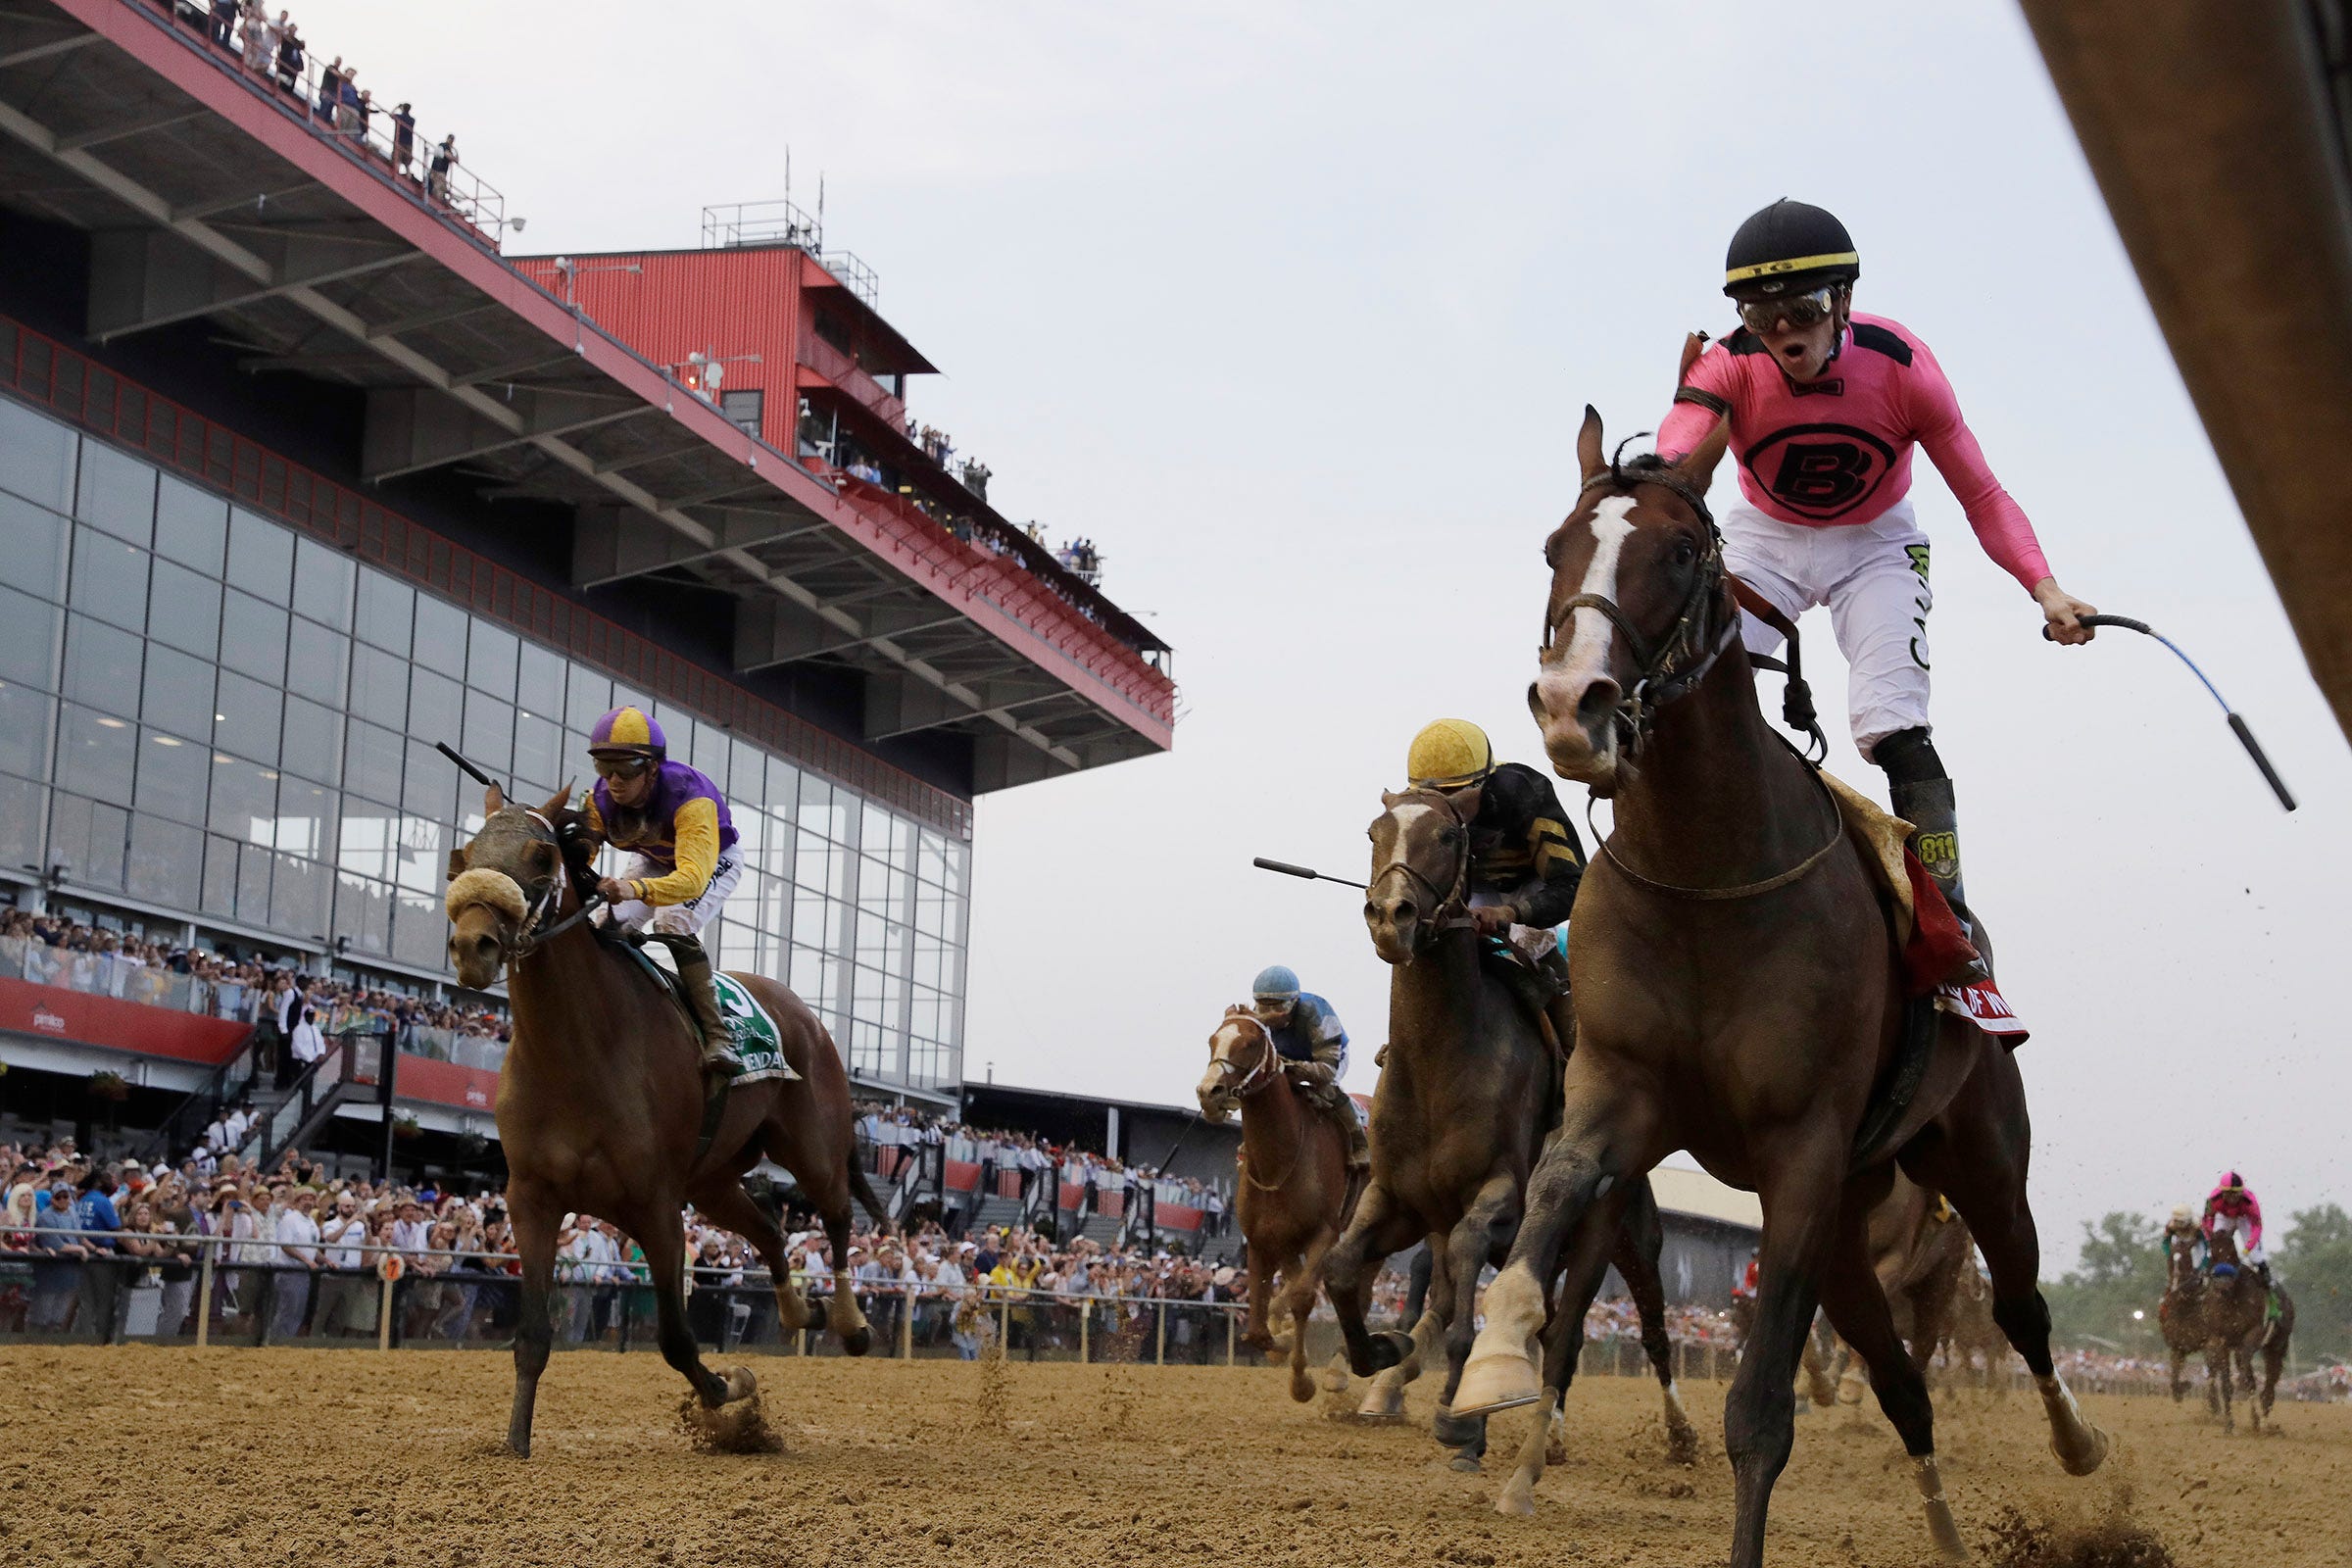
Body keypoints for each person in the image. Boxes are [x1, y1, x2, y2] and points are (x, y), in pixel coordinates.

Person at [1654, 200, 2099, 984]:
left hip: (1877, 545)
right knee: (1687, 695)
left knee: (1893, 726)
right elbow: (1675, 454)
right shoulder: (1727, 361)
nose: (1784, 332)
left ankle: (1949, 920)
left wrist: (2046, 587)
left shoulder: (1902, 365)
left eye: (1804, 308)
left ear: (1844, 304)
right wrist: (1665, 459)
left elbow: (1984, 495)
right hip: (1766, 541)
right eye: (1762, 313)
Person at [576, 705, 788, 1080]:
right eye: (603, 768)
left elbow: (690, 879)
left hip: (711, 859)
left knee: (672, 920)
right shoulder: (599, 798)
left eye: (625, 770)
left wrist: (630, 887)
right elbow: (583, 850)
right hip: (655, 859)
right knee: (601, 924)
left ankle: (718, 1034)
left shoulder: (691, 798)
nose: (613, 781)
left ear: (652, 767)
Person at [1402, 718, 1584, 1051]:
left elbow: (1573, 885)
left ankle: (1572, 1045)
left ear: (1484, 785)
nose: (1447, 808)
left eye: (1457, 796)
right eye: (1433, 796)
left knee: (1533, 949)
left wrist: (1509, 912)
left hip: (1528, 887)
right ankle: (1408, 1044)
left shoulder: (1525, 793)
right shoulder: (1418, 815)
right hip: (1469, 891)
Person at [1247, 965, 1367, 1172]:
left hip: (1328, 1055)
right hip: (1288, 1056)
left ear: (1293, 1002)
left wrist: (1292, 1067)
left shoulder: (1317, 1013)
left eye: (1276, 1007)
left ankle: (1359, 1143)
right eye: (1263, 1007)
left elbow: (1327, 1071)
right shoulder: (1256, 1017)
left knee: (1326, 1088)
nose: (1269, 1015)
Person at [2201, 1171, 2267, 1283]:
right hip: (2224, 1216)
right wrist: (2210, 1238)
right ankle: (2205, 1279)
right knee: (2217, 1247)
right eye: (2228, 1193)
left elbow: (2257, 1226)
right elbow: (2206, 1220)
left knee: (2254, 1256)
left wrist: (2247, 1248)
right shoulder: (2212, 1199)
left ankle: (2268, 1280)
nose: (2233, 1197)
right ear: (2222, 1192)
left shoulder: (2250, 1202)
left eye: (2236, 1193)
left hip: (2244, 1218)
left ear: (2241, 1191)